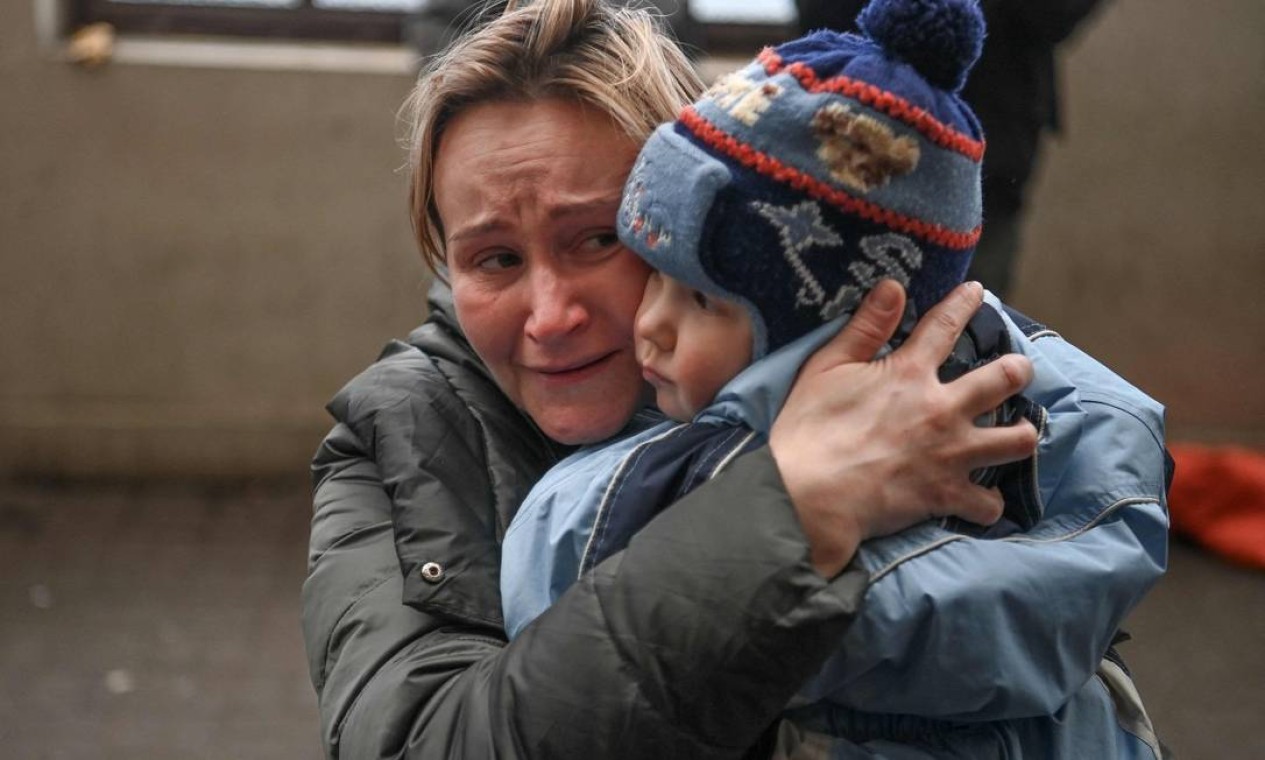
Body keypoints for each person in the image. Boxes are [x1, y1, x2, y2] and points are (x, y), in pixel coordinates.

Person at [300, 1, 1163, 757]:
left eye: (598, 239)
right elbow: (426, 739)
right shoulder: (398, 437)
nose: (550, 314)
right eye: (493, 259)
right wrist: (786, 515)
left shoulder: (921, 381)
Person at [795, 0, 1106, 298]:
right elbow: (819, 14)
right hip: (848, 126)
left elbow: (1057, 16)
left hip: (993, 137)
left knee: (965, 318)